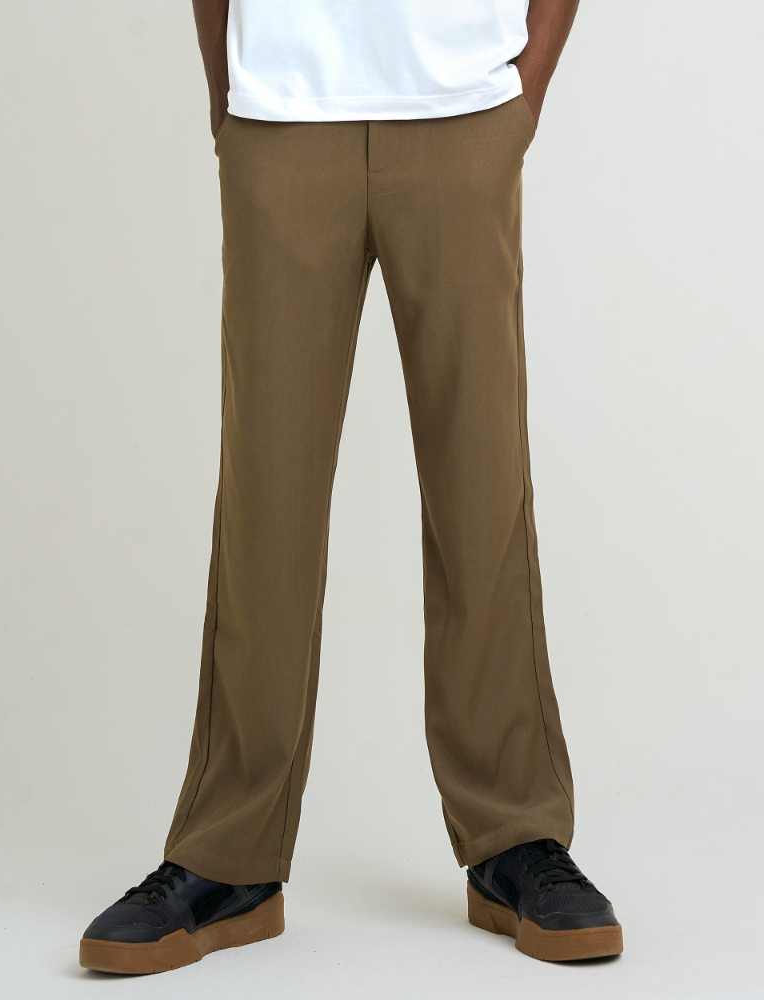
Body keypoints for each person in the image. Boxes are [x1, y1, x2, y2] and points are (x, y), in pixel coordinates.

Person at [79, 0, 622, 974]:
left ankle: (515, 837)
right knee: (266, 503)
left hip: (464, 109)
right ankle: (228, 857)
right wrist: (230, 89)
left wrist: (521, 92)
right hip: (282, 114)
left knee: (483, 491)